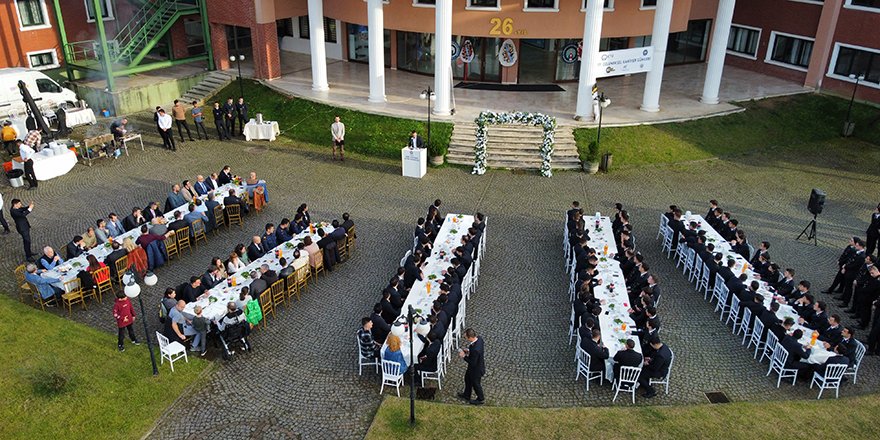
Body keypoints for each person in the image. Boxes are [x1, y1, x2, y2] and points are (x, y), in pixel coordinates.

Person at [457, 328, 485, 405]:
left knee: (476, 384)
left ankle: (480, 399)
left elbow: (472, 362)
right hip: (473, 368)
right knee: (467, 379)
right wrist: (469, 350)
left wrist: (463, 356)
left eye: (466, 337)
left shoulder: (476, 349)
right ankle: (466, 394)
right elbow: (474, 350)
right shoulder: (479, 339)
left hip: (476, 369)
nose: (465, 338)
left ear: (470, 337)